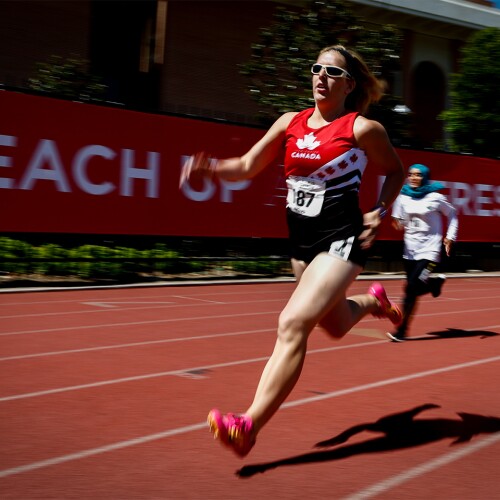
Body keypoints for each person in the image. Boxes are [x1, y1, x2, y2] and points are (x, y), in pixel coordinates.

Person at [179, 44, 405, 457]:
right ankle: (373, 302)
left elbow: (395, 171)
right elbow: (248, 166)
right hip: (302, 243)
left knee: (292, 323)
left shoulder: (362, 129)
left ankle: (248, 424)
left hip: (342, 238)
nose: (321, 76)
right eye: (316, 68)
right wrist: (210, 168)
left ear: (348, 84)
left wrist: (379, 211)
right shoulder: (290, 122)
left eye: (332, 72)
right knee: (334, 325)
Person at [386, 163, 458, 342]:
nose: (413, 178)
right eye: (410, 174)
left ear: (425, 177)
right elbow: (399, 221)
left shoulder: (435, 197)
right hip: (409, 250)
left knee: (411, 287)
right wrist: (397, 223)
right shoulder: (402, 197)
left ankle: (401, 331)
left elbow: (452, 214)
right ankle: (434, 285)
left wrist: (450, 237)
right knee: (413, 288)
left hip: (430, 251)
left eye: (417, 175)